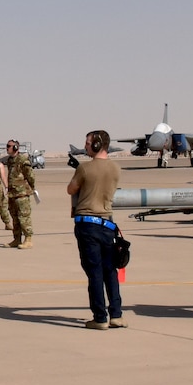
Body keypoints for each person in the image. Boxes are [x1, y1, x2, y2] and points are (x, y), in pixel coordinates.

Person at [67, 130, 124, 329]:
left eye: (88, 142)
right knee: (111, 271)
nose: (86, 146)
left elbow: (71, 189)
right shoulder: (116, 168)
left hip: (87, 225)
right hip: (107, 225)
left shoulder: (84, 168)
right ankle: (116, 315)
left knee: (95, 272)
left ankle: (100, 317)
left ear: (97, 144)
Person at [4, 139, 37, 248]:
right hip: (12, 194)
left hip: (22, 194)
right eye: (7, 146)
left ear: (15, 148)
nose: (7, 148)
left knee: (24, 217)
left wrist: (31, 187)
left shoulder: (23, 160)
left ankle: (28, 239)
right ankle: (17, 239)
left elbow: (30, 175)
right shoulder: (10, 160)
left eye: (9, 146)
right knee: (15, 217)